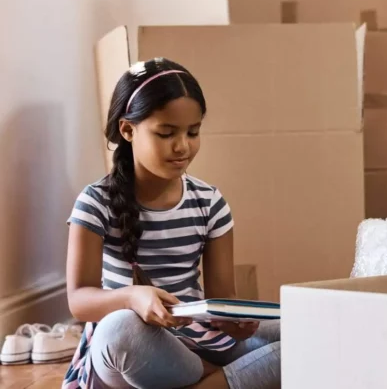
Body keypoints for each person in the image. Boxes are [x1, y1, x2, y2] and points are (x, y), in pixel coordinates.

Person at [63, 59, 280, 389]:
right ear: (127, 130)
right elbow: (79, 301)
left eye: (193, 132)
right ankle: (226, 380)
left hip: (197, 341)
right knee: (120, 330)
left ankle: (206, 381)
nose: (183, 146)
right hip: (135, 347)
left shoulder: (210, 202)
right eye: (166, 133)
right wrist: (133, 297)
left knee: (307, 328)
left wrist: (234, 322)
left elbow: (221, 298)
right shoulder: (95, 202)